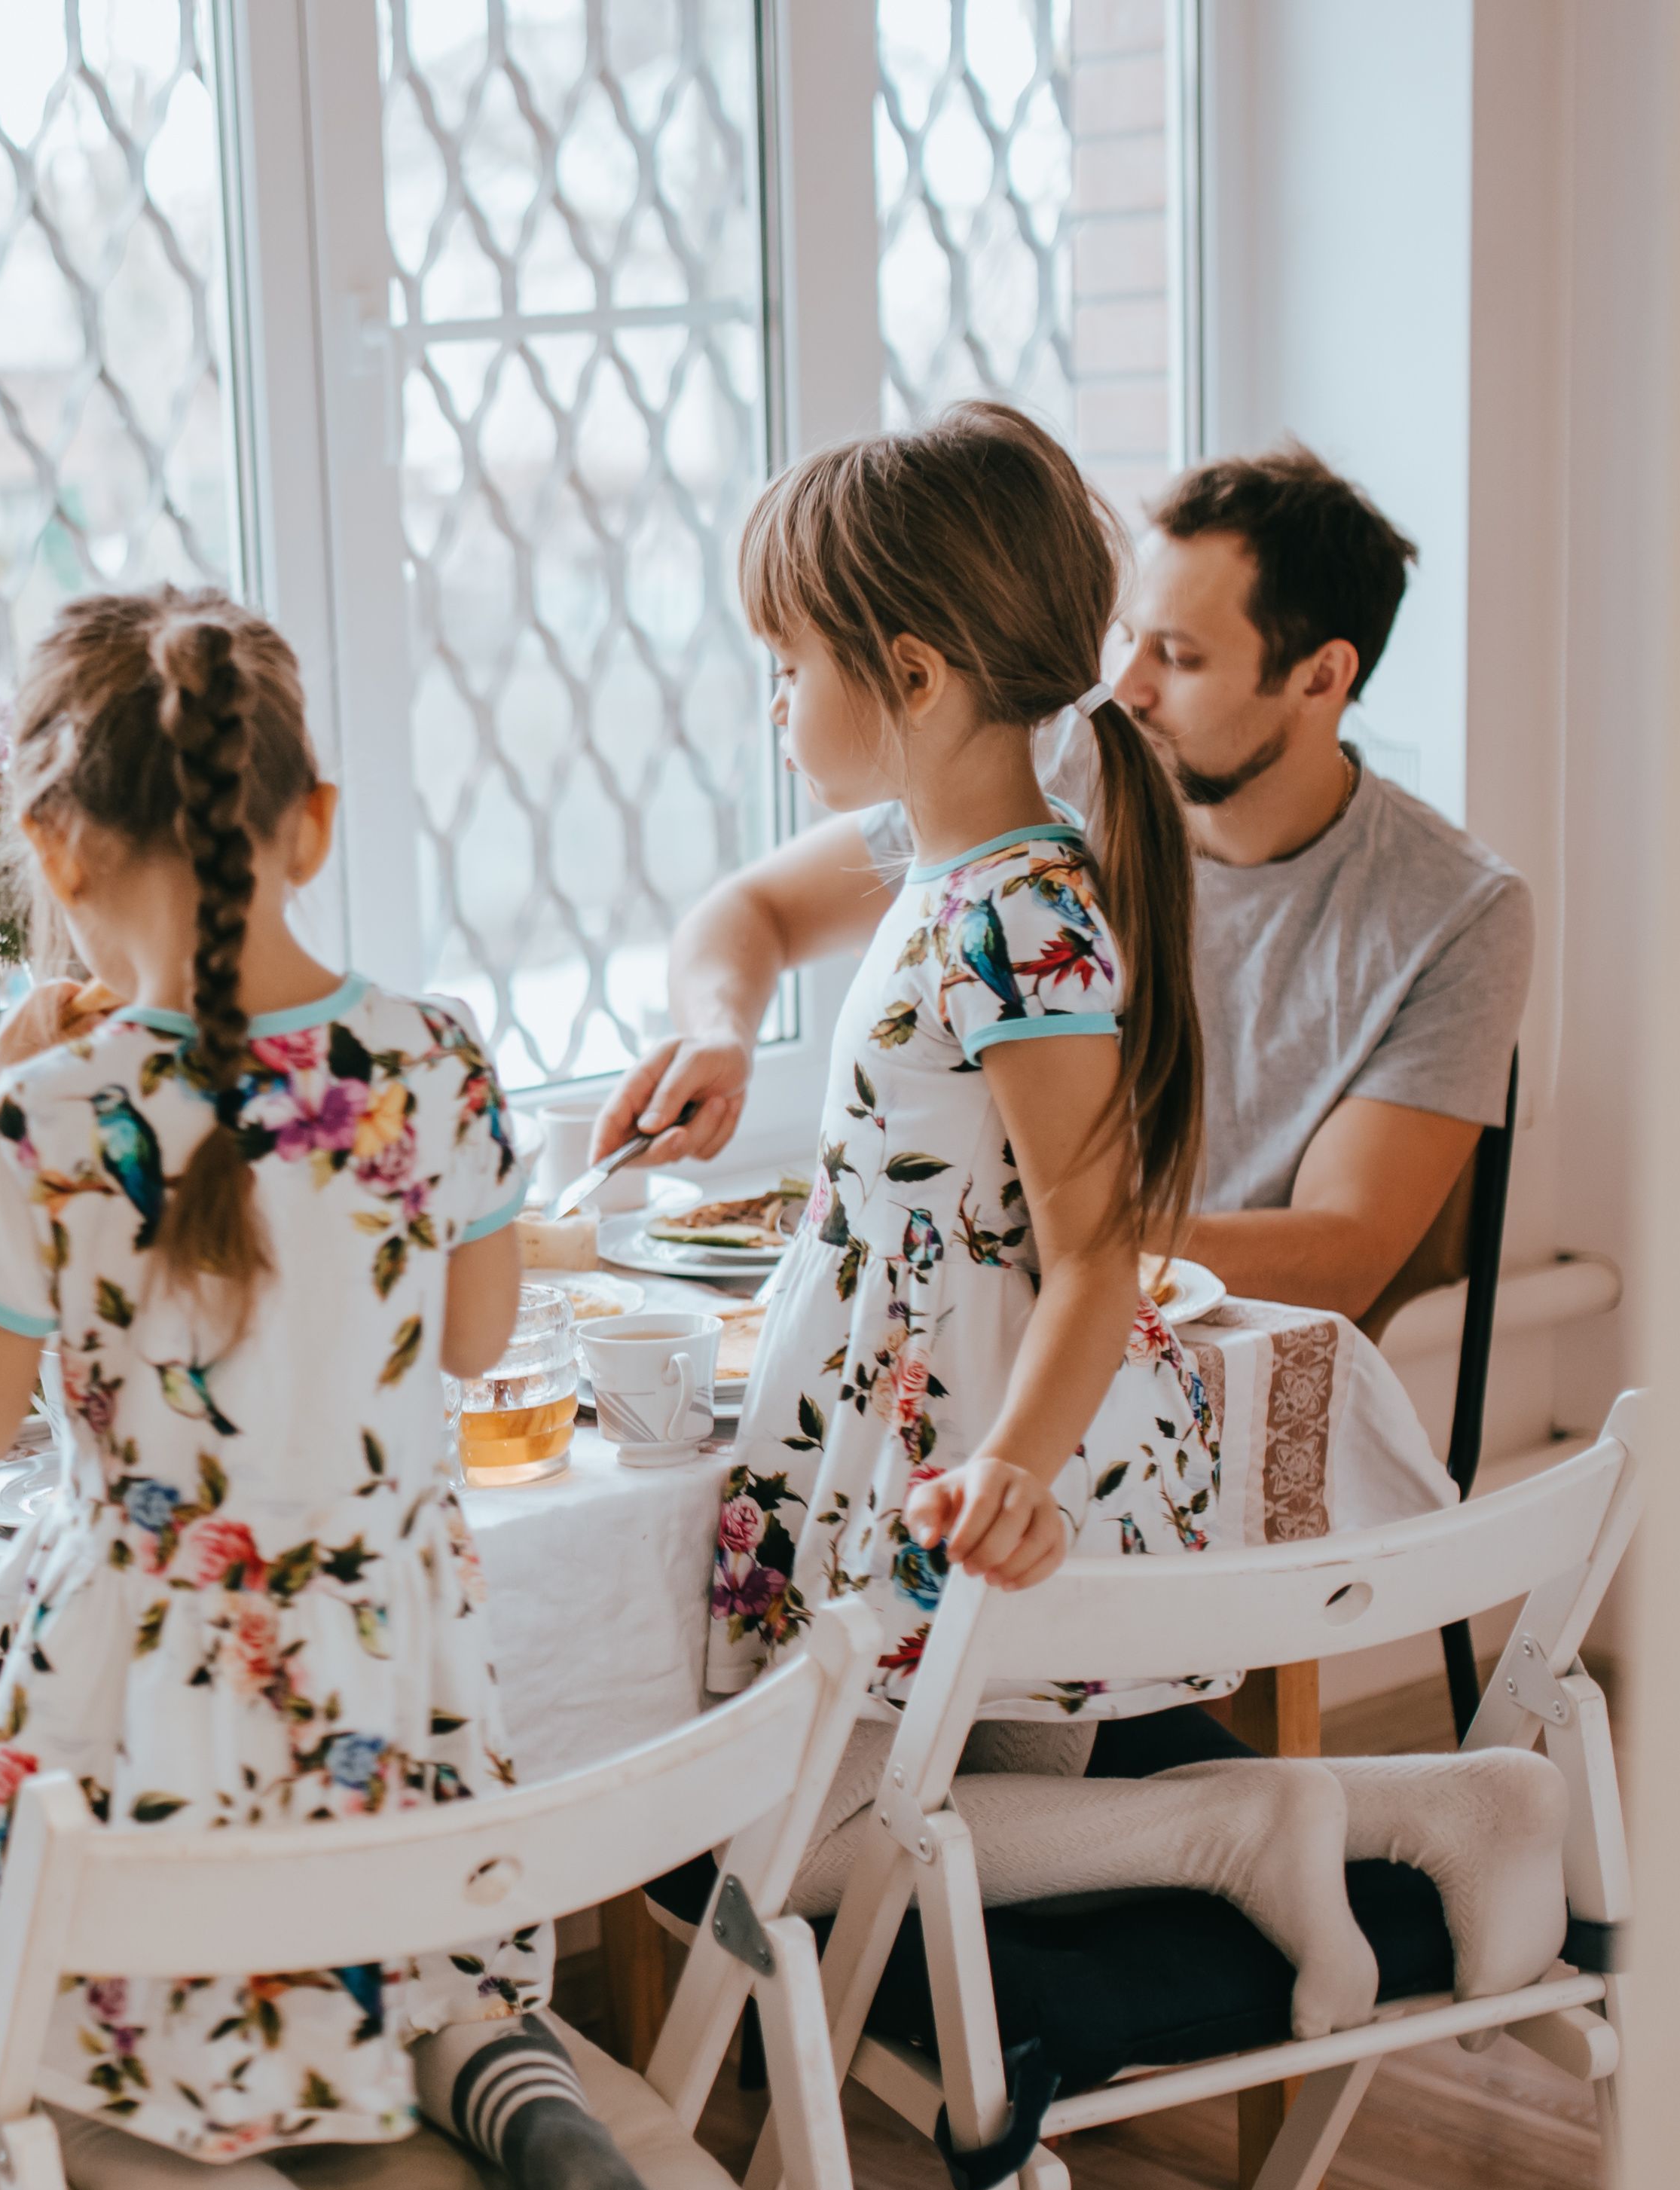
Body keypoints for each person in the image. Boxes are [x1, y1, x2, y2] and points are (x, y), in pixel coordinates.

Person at [0, 588, 760, 2190]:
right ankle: (542, 2131)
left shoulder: (46, 1118)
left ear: (50, 851)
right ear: (313, 816)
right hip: (389, 1668)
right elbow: (467, 1344)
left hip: (146, 1702)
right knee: (414, 1954)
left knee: (46, 2060)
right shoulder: (437, 1059)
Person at [666, 408, 1572, 2048]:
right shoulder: (971, 873)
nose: (776, 699)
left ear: (916, 675)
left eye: (788, 663)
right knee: (934, 1790)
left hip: (968, 1452)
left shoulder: (1011, 907)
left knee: (786, 1836)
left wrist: (1008, 1463)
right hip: (936, 1429)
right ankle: (1427, 1807)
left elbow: (1090, 1243)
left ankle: (1251, 1824)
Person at [606, 442, 1531, 1321]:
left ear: (1322, 676)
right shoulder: (1052, 769)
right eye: (1127, 637)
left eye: (1180, 655)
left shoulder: (1456, 912)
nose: (1124, 685)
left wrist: (1032, 1230)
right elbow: (750, 911)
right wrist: (722, 1032)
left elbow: (1345, 1256)